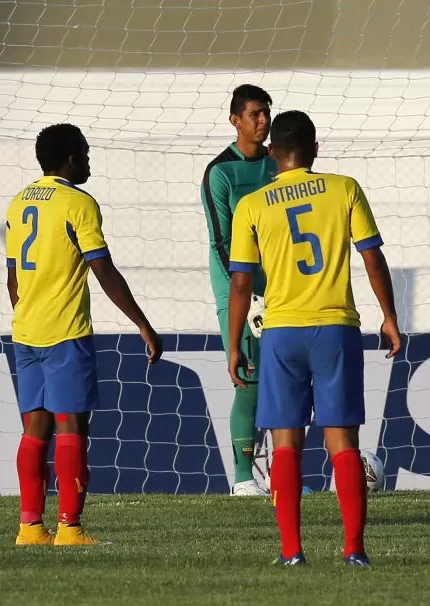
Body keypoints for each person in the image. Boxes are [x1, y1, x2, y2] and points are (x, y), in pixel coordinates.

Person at [227, 110, 402, 567]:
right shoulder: (344, 188)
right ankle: (354, 551)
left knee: (285, 443)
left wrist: (232, 343)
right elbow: (372, 258)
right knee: (342, 443)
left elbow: (241, 283)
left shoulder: (253, 205)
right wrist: (389, 317)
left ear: (271, 156)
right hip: (335, 329)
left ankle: (291, 553)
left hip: (282, 334)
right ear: (316, 149)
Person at [6, 123, 162, 546]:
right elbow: (104, 270)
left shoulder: (18, 202)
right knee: (72, 426)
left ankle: (29, 527)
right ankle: (70, 528)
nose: (90, 160)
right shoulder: (79, 203)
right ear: (71, 158)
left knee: (34, 430)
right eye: (87, 153)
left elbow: (12, 279)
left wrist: (27, 313)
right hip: (65, 331)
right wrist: (142, 323)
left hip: (26, 331)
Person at [201, 84, 277, 496]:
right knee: (248, 380)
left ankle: (284, 474)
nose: (263, 120)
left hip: (283, 289)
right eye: (255, 114)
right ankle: (244, 478)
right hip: (239, 293)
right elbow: (220, 241)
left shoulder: (277, 165)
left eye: (266, 113)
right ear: (235, 120)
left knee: (288, 381)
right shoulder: (220, 173)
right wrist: (243, 295)